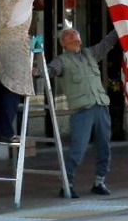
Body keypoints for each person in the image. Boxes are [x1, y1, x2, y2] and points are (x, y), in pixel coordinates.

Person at [0, 0, 62, 143]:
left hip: (0, 47)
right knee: (14, 89)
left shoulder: (1, 1)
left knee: (0, 89)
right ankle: (5, 132)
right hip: (16, 47)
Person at [47, 27, 119, 198]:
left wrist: (122, 24)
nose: (73, 34)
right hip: (82, 111)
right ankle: (67, 183)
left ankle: (99, 181)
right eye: (68, 34)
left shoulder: (90, 54)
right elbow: (49, 70)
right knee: (77, 149)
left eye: (75, 32)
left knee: (104, 147)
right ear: (63, 43)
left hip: (101, 106)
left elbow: (108, 42)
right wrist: (36, 70)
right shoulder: (62, 60)